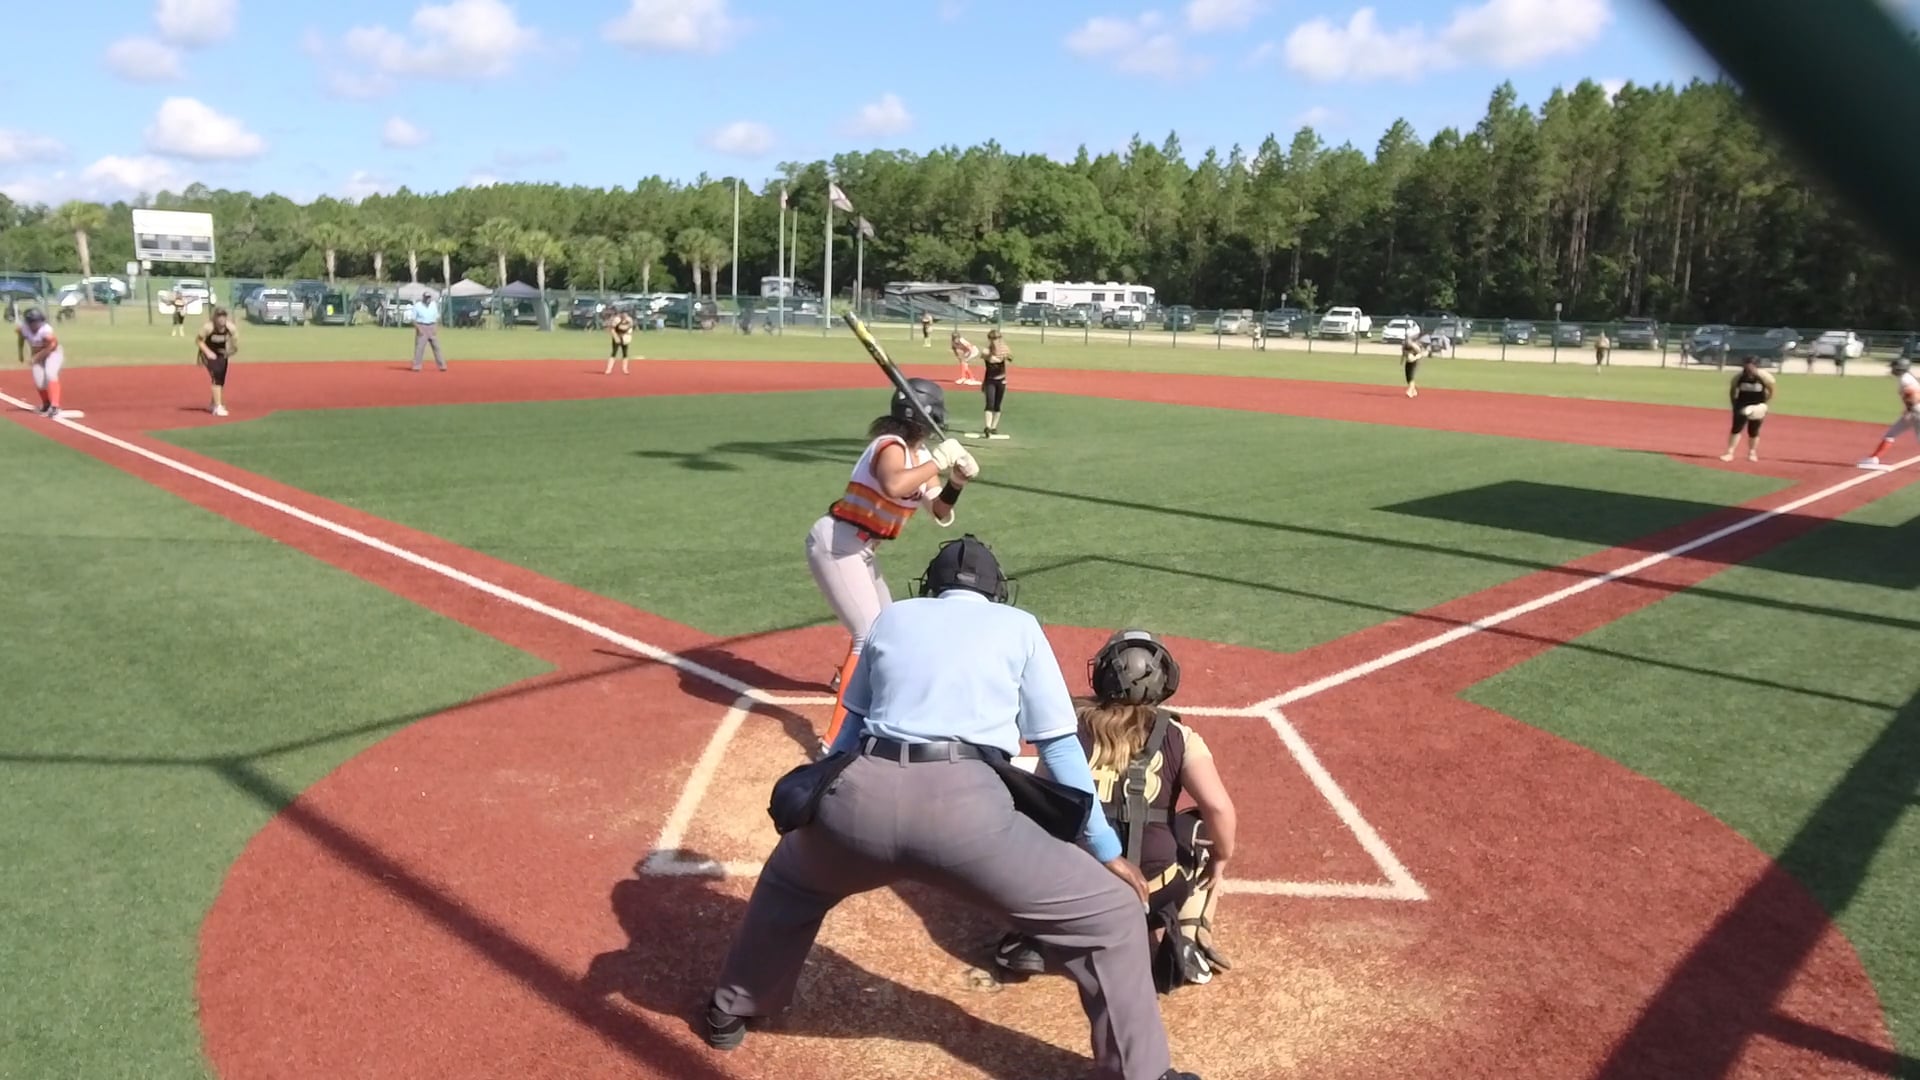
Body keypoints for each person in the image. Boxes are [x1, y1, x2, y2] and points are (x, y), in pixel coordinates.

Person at [705, 536, 1203, 1080]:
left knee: (790, 881)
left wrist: (822, 794)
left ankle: (731, 1008)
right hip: (968, 814)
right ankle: (1140, 1073)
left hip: (861, 797)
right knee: (1110, 914)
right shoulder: (1019, 626)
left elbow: (850, 729)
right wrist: (1105, 849)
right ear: (997, 591)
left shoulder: (892, 618)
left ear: (931, 587)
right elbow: (1059, 747)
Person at [993, 630, 1238, 994]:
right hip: (1150, 897)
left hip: (1071, 898)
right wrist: (1221, 857)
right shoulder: (1178, 736)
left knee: (1035, 823)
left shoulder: (1069, 731)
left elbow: (1043, 803)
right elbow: (1219, 807)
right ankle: (1189, 938)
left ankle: (1029, 936)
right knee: (1203, 829)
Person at [811, 378, 978, 753]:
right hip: (837, 543)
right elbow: (893, 485)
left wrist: (957, 481)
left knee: (886, 628)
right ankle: (834, 743)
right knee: (867, 634)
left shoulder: (921, 458)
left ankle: (855, 683)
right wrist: (939, 461)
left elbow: (939, 510)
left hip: (862, 549)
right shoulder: (889, 446)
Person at [1858, 357, 1920, 469]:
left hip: (1916, 412)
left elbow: (1914, 395)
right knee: (1891, 434)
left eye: (1894, 367)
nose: (1892, 369)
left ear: (1900, 368)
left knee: (1892, 434)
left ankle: (1873, 458)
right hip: (1914, 411)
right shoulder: (1906, 378)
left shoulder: (1905, 380)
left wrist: (1909, 411)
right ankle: (1873, 458)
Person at [15, 308, 67, 419]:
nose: (36, 324)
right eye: (34, 322)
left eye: (38, 321)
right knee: (39, 382)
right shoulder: (23, 329)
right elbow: (21, 339)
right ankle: (46, 403)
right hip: (37, 356)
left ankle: (54, 406)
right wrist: (20, 353)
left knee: (50, 374)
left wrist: (36, 358)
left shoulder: (46, 331)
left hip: (53, 354)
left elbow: (52, 346)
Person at [1720, 357, 1775, 463]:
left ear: (1756, 366)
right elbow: (1733, 391)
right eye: (1746, 365)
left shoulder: (1764, 376)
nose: (1748, 368)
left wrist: (1764, 405)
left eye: (1750, 366)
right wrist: (1734, 405)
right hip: (1742, 404)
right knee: (1736, 428)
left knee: (1753, 430)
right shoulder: (1739, 377)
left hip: (1757, 405)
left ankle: (1752, 453)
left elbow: (1771, 390)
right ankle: (1730, 452)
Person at [967, 327, 1012, 440]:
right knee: (989, 403)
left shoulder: (1004, 349)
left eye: (996, 338)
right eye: (992, 339)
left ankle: (993, 427)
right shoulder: (987, 351)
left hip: (1001, 380)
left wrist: (1006, 354)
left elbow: (1010, 357)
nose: (994, 341)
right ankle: (987, 427)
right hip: (990, 380)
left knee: (997, 405)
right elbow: (989, 359)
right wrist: (996, 356)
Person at [196, 306, 239, 417]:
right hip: (208, 354)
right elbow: (198, 340)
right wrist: (208, 352)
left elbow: (234, 342)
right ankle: (218, 407)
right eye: (219, 316)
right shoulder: (208, 327)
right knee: (216, 376)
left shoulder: (230, 327)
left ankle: (213, 403)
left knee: (221, 380)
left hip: (221, 354)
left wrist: (231, 350)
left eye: (223, 316)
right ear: (214, 317)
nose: (221, 319)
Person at [410, 290, 446, 372]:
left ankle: (442, 365)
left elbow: (437, 317)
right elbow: (413, 319)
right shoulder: (417, 306)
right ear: (423, 298)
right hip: (422, 326)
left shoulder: (433, 305)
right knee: (419, 348)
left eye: (429, 298)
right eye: (426, 298)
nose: (428, 299)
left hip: (431, 326)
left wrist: (436, 327)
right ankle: (416, 366)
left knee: (436, 347)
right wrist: (419, 329)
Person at [603, 304, 636, 375]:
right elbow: (612, 329)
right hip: (617, 335)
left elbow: (630, 328)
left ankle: (625, 369)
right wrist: (616, 337)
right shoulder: (617, 319)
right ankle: (609, 369)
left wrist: (628, 336)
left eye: (626, 313)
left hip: (625, 336)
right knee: (614, 352)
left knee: (625, 353)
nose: (624, 315)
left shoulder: (629, 320)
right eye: (623, 313)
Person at [1402, 326, 1427, 398]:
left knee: (1411, 376)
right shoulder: (1405, 344)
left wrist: (1415, 357)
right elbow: (1404, 351)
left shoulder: (1415, 345)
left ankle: (1410, 391)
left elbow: (1421, 353)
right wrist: (1407, 355)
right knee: (1408, 377)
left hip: (1415, 361)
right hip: (1409, 360)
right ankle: (1414, 390)